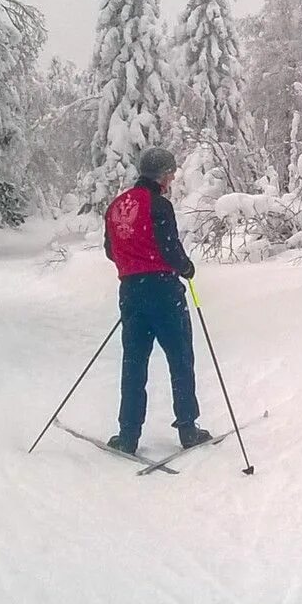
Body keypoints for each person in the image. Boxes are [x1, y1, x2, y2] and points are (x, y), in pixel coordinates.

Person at [103, 146, 212, 454]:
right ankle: (188, 428)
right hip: (163, 291)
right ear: (163, 175)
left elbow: (110, 250)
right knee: (180, 358)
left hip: (131, 292)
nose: (172, 179)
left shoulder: (116, 205)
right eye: (171, 174)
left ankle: (128, 435)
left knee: (134, 363)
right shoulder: (159, 205)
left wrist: (133, 266)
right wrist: (187, 268)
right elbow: (169, 249)